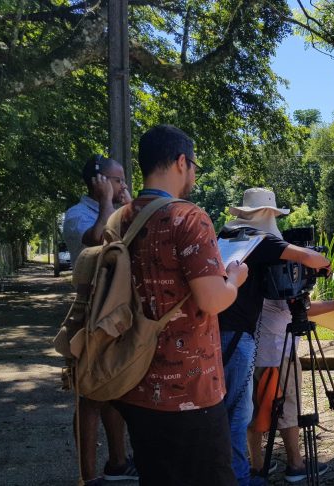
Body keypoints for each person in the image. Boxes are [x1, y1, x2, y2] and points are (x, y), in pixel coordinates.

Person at [113, 124, 248, 485]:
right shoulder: (188, 217)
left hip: (133, 383)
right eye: (193, 166)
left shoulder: (119, 219)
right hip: (191, 392)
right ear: (180, 162)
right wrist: (234, 279)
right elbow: (212, 299)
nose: (193, 175)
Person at [217, 188, 331, 485]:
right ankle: (242, 477)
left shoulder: (227, 236)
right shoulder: (259, 240)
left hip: (219, 332)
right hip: (241, 337)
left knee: (239, 410)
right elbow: (308, 257)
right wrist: (323, 264)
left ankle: (250, 469)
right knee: (240, 414)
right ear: (268, 215)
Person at [242, 212, 334, 483]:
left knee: (255, 407)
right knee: (287, 405)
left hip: (253, 349)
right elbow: (294, 309)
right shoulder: (277, 262)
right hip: (277, 351)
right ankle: (295, 464)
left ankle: (258, 464)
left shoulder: (245, 253)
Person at [62, 155, 136, 486]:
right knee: (91, 394)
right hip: (90, 315)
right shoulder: (77, 214)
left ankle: (118, 463)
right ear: (98, 181)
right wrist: (108, 202)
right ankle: (88, 475)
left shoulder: (119, 209)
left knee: (114, 388)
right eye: (117, 180)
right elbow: (98, 238)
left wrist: (129, 206)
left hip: (115, 311)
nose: (123, 185)